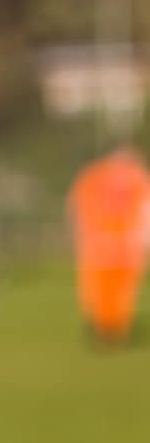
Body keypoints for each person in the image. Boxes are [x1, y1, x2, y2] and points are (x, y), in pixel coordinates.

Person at [68, 147, 150, 345]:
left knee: (111, 288)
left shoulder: (94, 177)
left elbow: (76, 207)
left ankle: (110, 325)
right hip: (115, 243)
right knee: (111, 288)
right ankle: (110, 325)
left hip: (107, 244)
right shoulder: (134, 179)